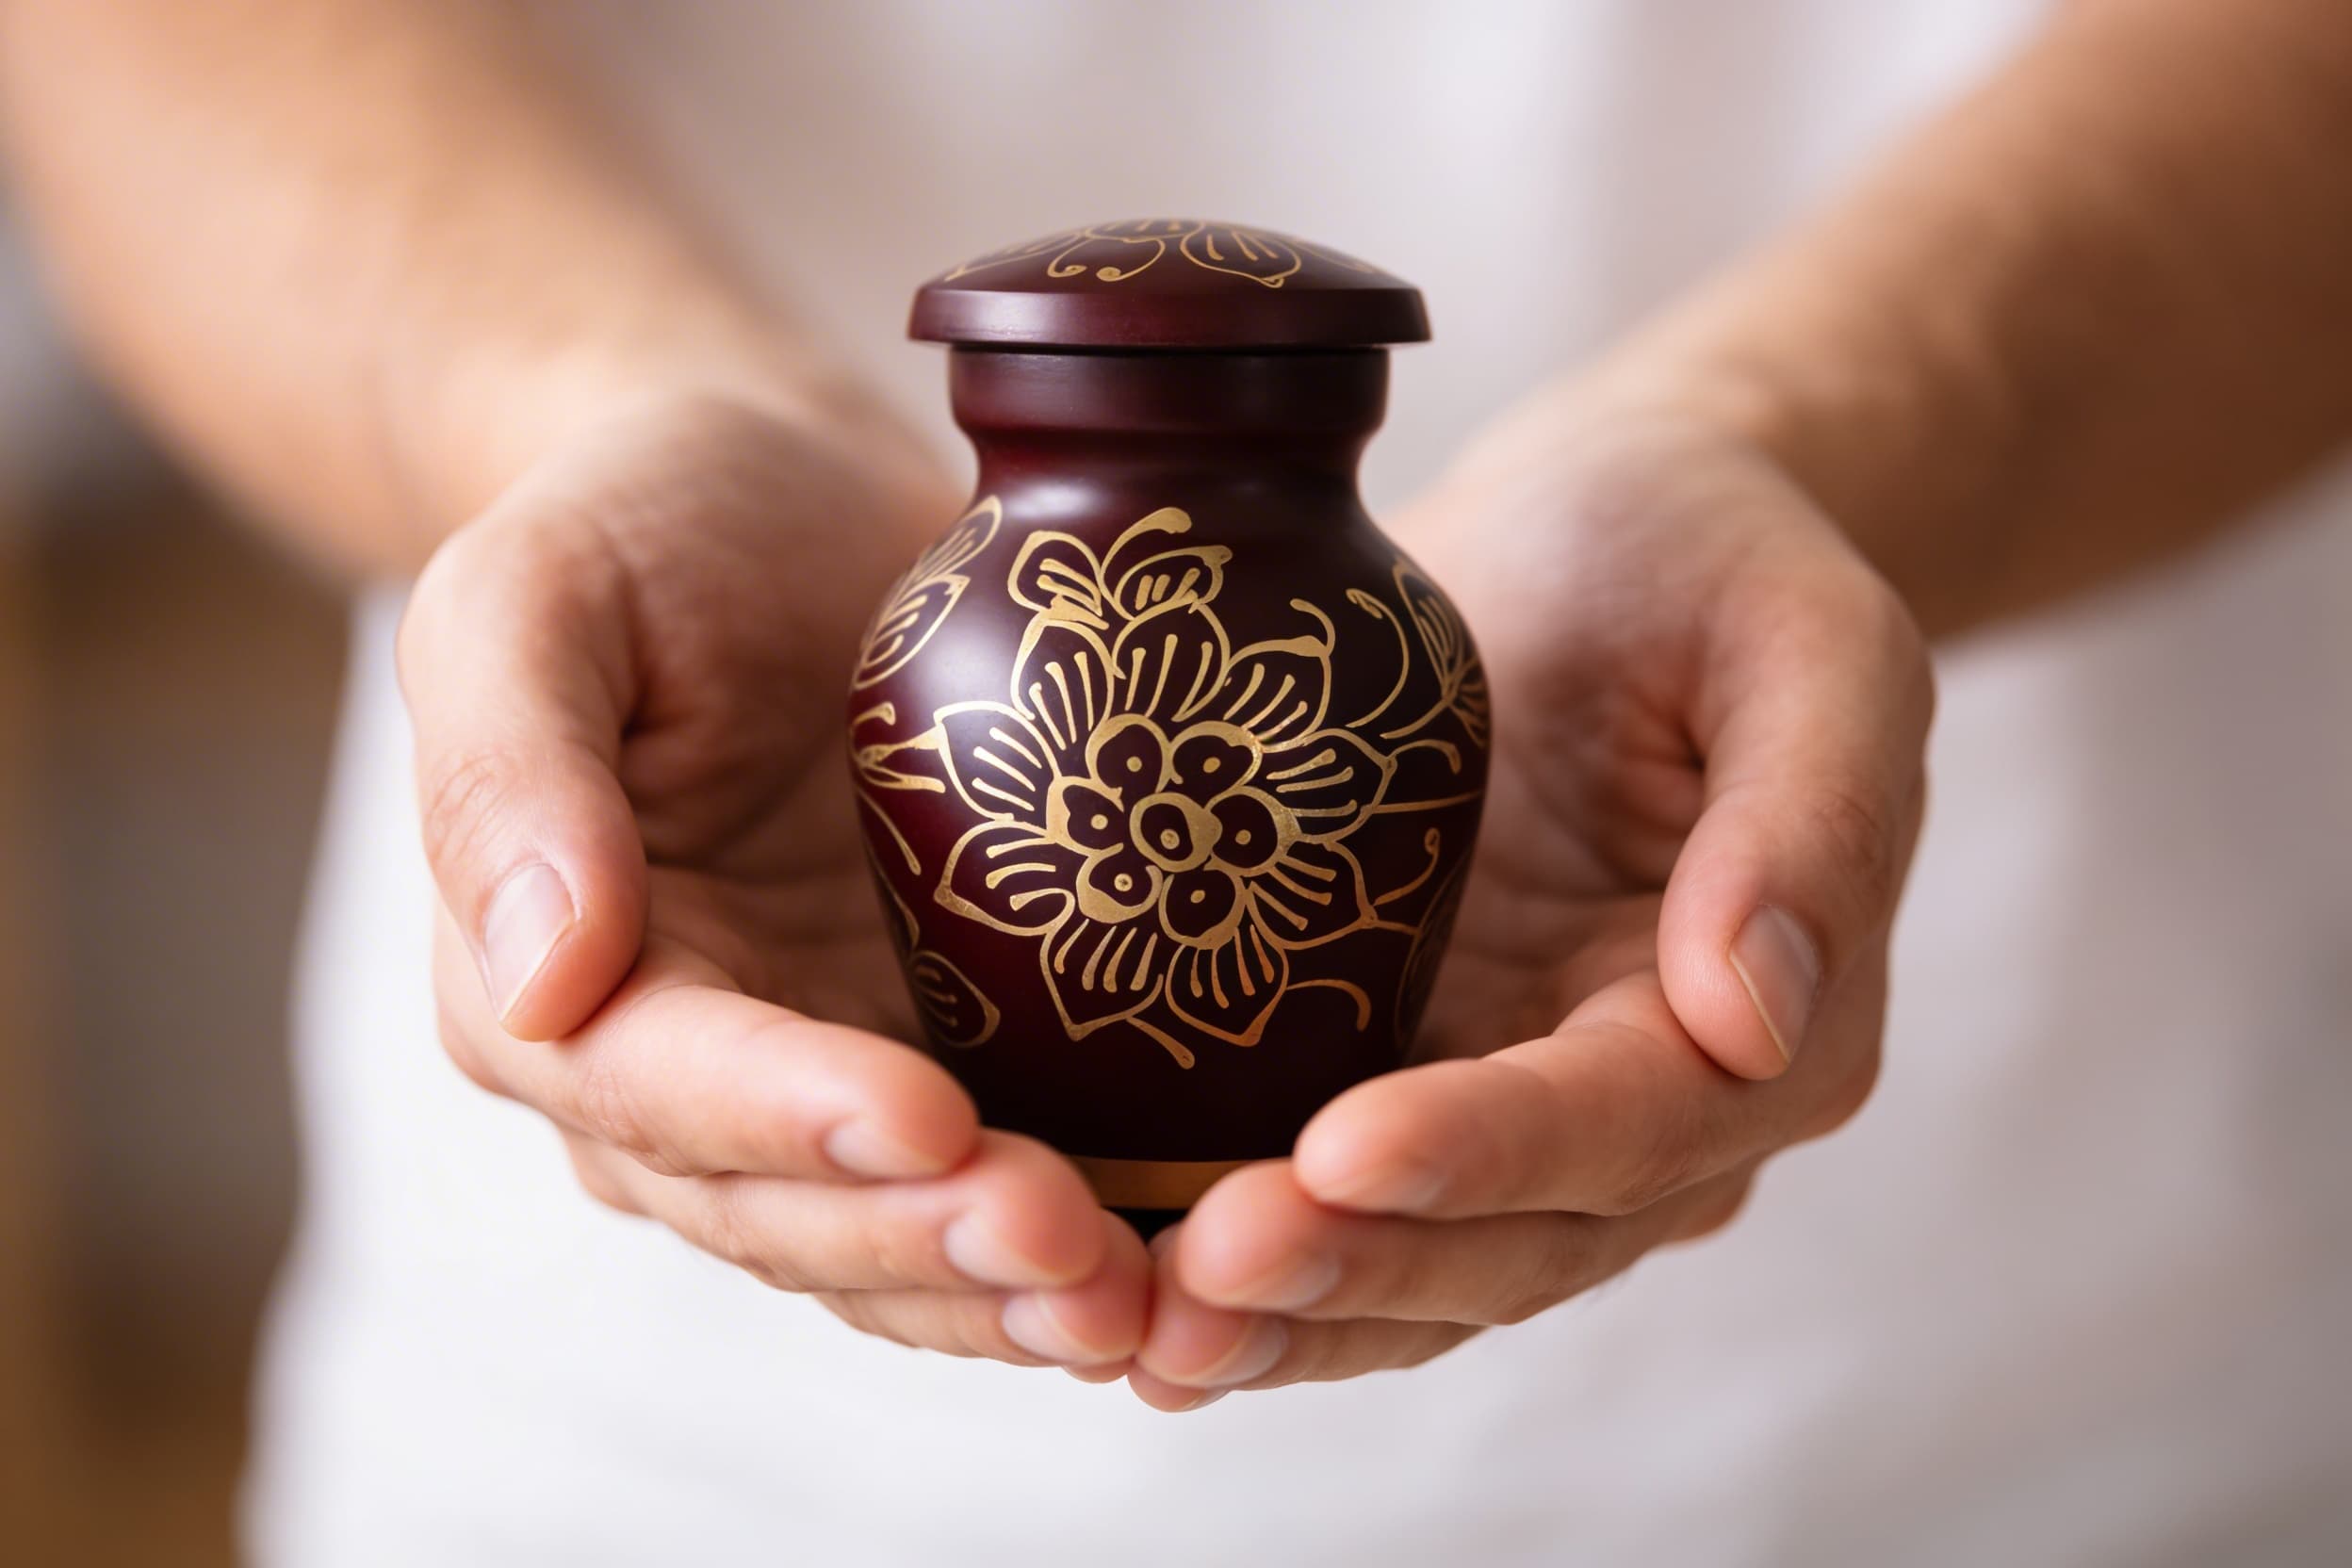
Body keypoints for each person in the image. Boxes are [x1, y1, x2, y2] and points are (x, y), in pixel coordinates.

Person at [5, 0, 2349, 1560]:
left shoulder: (1311, 641)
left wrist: (1799, 452)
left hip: (2055, 1390)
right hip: (632, 1456)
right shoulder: (1046, 629)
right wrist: (579, 412)